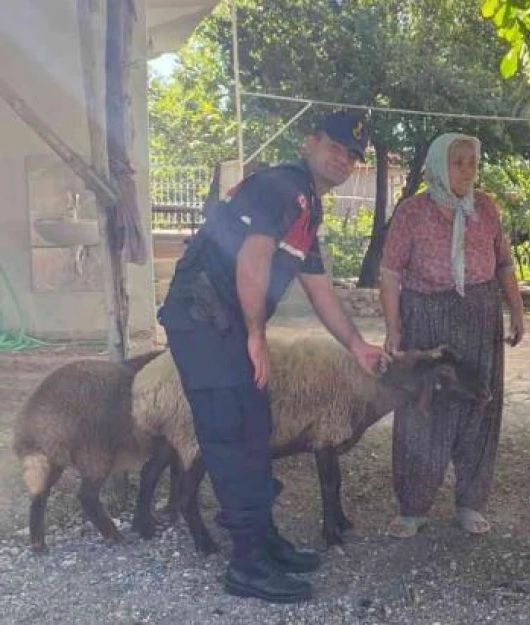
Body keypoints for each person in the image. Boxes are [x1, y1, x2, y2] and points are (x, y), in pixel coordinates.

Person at [158, 110, 389, 604]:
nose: (343, 158)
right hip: (203, 321)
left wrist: (357, 346)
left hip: (226, 324)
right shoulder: (284, 187)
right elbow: (253, 256)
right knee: (231, 435)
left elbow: (319, 289)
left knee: (256, 428)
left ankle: (265, 542)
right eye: (335, 146)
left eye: (352, 155)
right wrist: (256, 333)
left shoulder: (307, 207)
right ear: (309, 141)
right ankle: (246, 566)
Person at [378, 132, 526, 538]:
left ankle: (470, 502)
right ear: (438, 165)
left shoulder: (487, 209)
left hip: (479, 317)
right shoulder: (412, 212)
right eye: (457, 162)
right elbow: (390, 273)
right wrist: (394, 328)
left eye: (472, 162)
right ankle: (413, 506)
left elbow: (504, 265)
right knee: (422, 409)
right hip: (426, 315)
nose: (466, 170)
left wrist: (516, 311)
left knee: (479, 405)